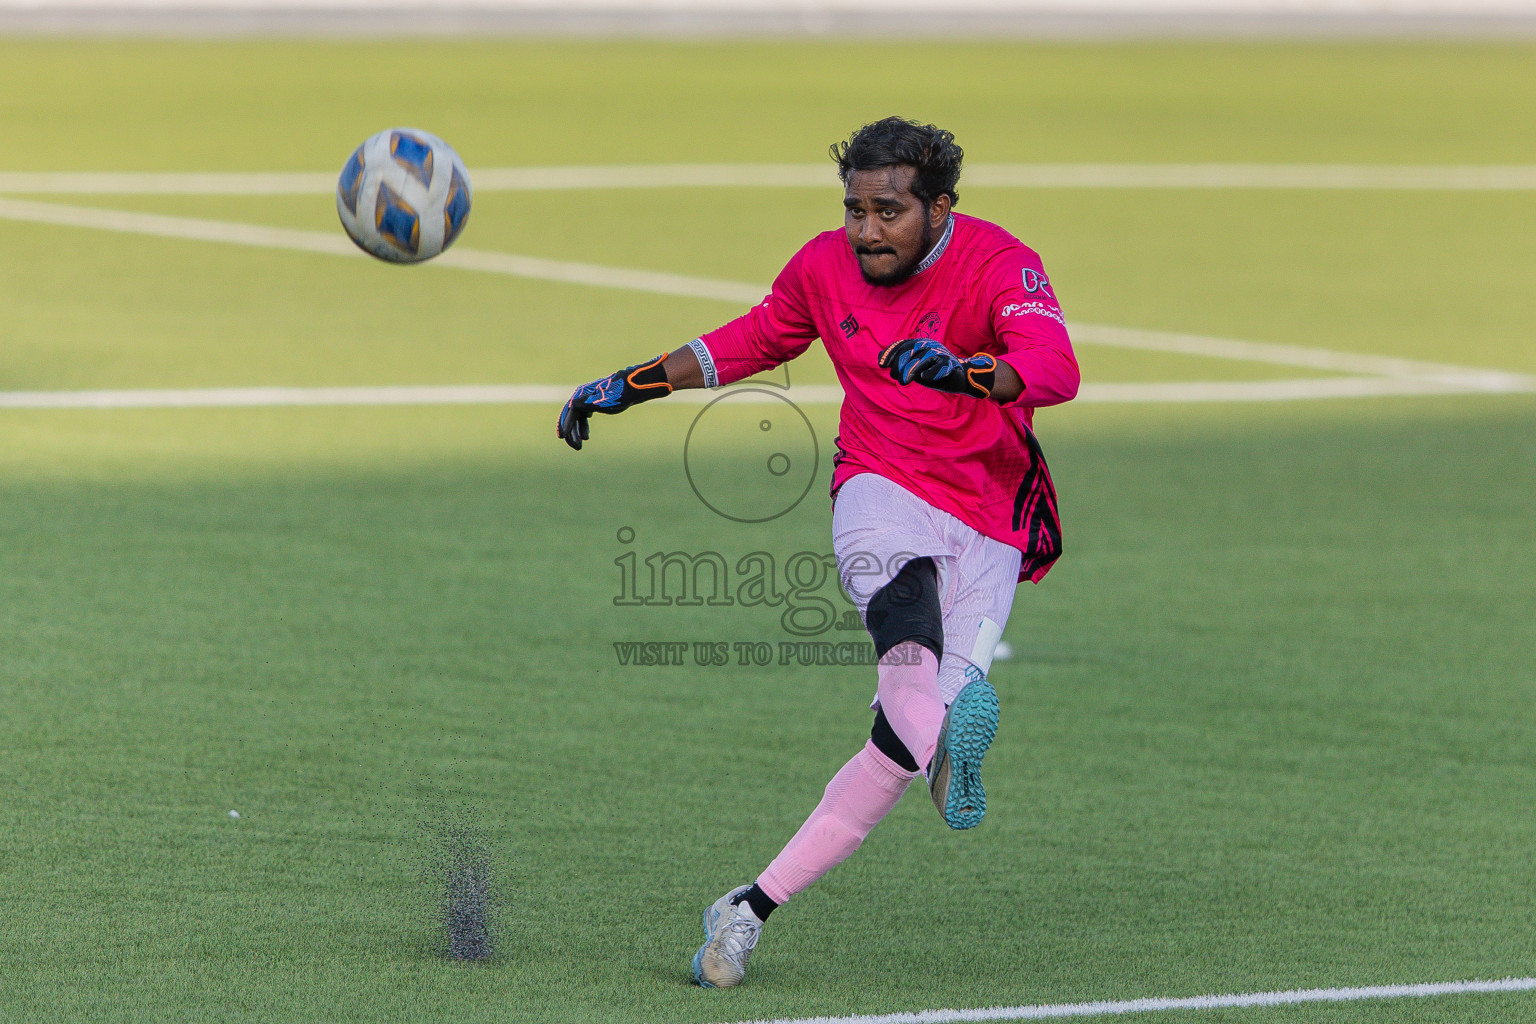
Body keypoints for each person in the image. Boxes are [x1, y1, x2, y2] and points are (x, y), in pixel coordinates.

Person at [556, 116, 1080, 988]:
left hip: (991, 517)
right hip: (880, 488)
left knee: (899, 749)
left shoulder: (1000, 262)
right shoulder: (823, 267)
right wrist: (628, 385)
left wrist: (963, 370)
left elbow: (1055, 369)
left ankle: (747, 908)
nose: (866, 231)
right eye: (854, 210)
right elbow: (748, 340)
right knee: (909, 660)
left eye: (888, 212)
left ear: (940, 208)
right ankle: (944, 736)